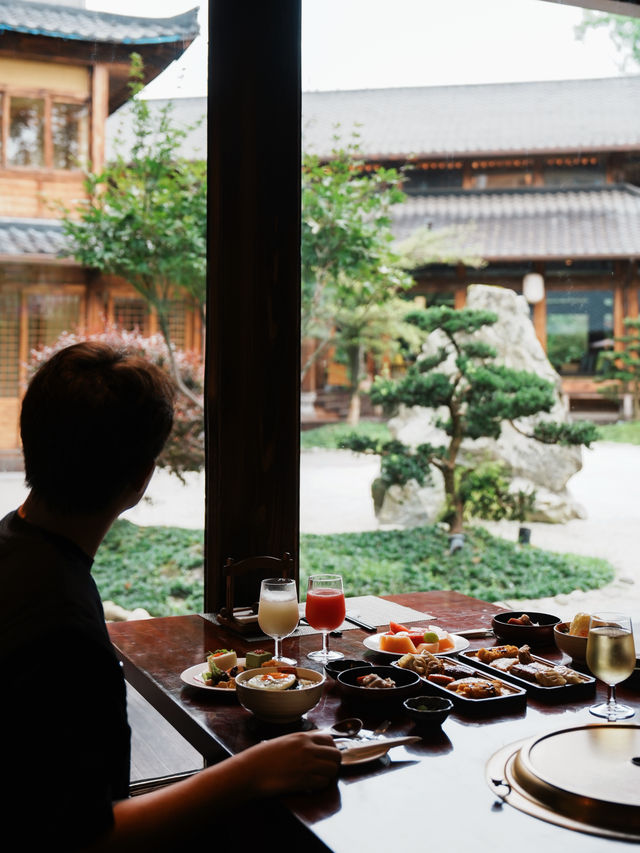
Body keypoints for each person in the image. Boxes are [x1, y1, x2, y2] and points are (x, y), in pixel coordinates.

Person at [0, 342, 340, 851]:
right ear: (140, 480)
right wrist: (250, 773)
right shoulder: (61, 626)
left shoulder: (20, 553)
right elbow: (85, 839)